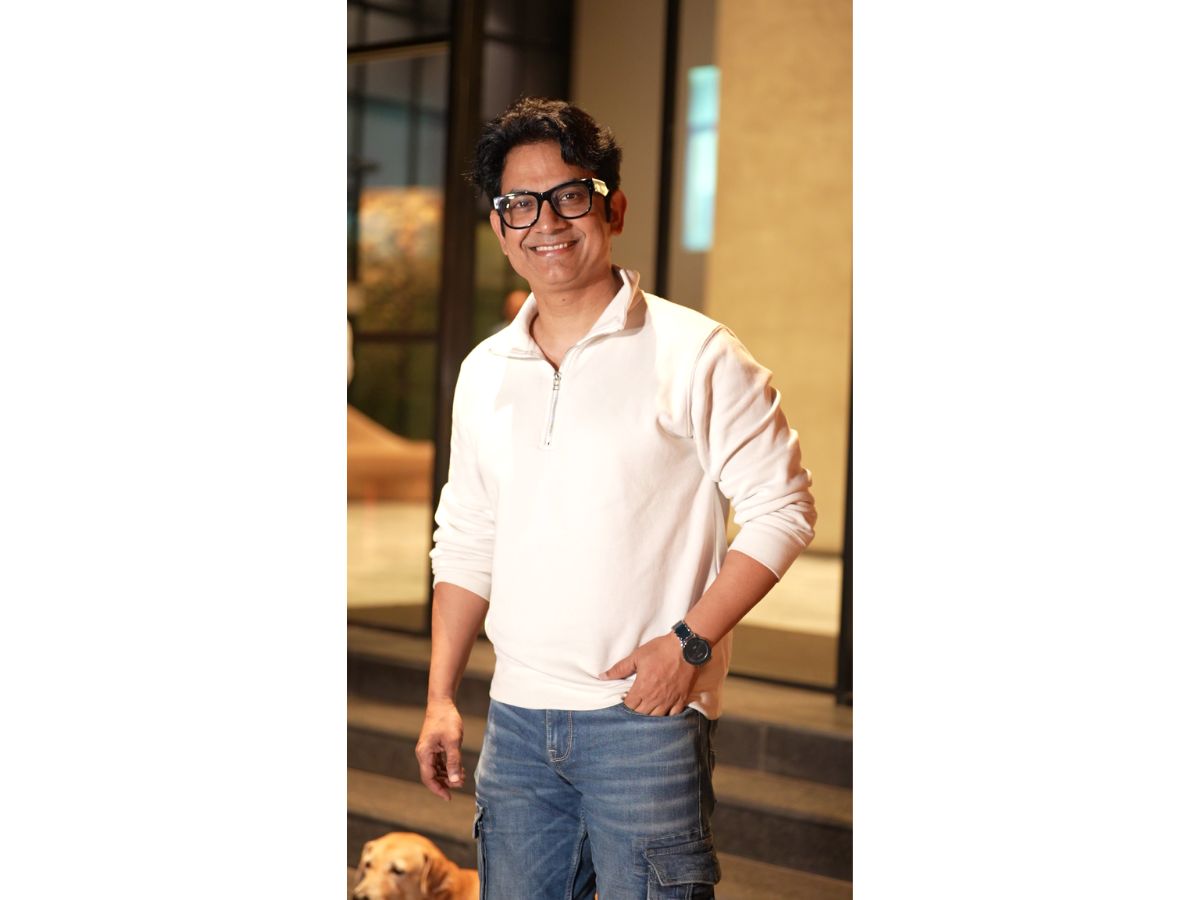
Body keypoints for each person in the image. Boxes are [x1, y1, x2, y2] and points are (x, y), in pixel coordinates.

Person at [415, 97, 816, 899]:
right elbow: (466, 537)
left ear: (613, 208)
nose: (546, 222)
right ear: (500, 227)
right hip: (517, 723)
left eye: (569, 196)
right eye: (519, 204)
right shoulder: (484, 371)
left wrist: (688, 645)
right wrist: (440, 697)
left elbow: (784, 508)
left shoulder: (697, 352)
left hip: (646, 722)